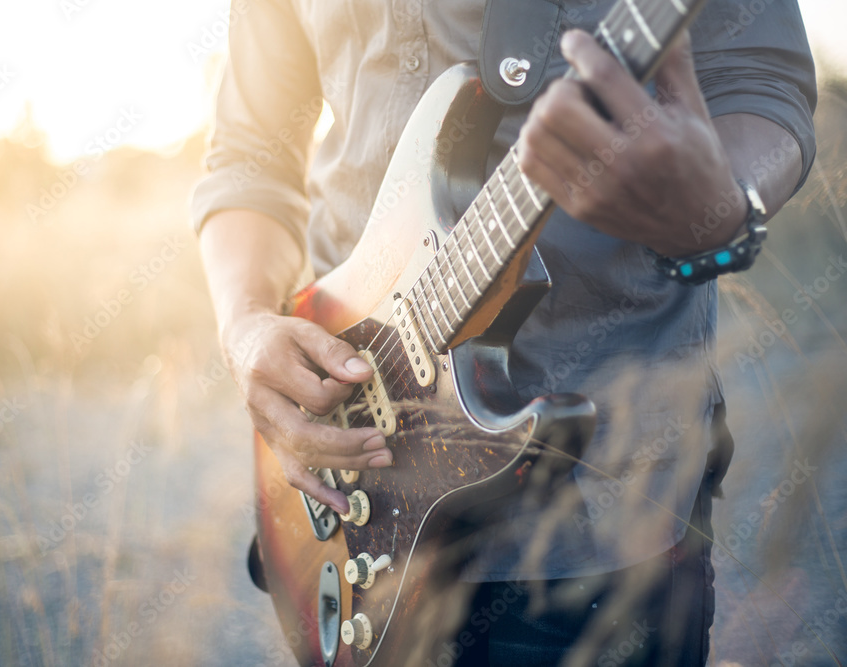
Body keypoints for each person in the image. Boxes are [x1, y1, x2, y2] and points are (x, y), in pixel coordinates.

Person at [192, 0, 816, 664]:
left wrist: (719, 209)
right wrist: (248, 326)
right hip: (353, 493)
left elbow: (758, 78)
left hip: (601, 514)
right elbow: (251, 152)